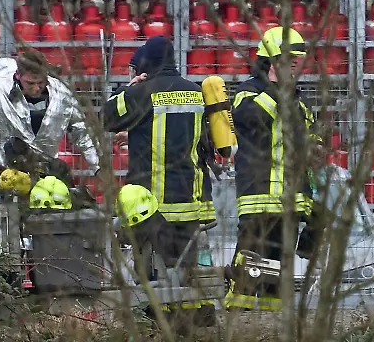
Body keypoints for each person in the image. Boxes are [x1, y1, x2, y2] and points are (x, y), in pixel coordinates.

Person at [103, 36, 216, 327]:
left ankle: (155, 321)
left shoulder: (143, 93)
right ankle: (197, 320)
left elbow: (107, 118)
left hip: (152, 204)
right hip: (189, 200)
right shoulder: (195, 92)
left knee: (150, 267)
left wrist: (127, 88)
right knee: (187, 268)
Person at [225, 26, 321, 312]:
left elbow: (311, 139)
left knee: (277, 279)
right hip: (258, 202)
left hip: (290, 205)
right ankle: (236, 328)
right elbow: (252, 119)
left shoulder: (299, 103)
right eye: (289, 58)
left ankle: (272, 330)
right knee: (246, 274)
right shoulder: (247, 94)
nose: (296, 64)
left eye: (298, 58)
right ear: (270, 61)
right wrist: (276, 87)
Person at [0, 50, 99, 175]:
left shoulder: (62, 93)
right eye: (30, 83)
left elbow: (82, 133)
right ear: (17, 75)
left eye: (41, 82)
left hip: (48, 173)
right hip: (5, 173)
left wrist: (99, 167)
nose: (36, 88)